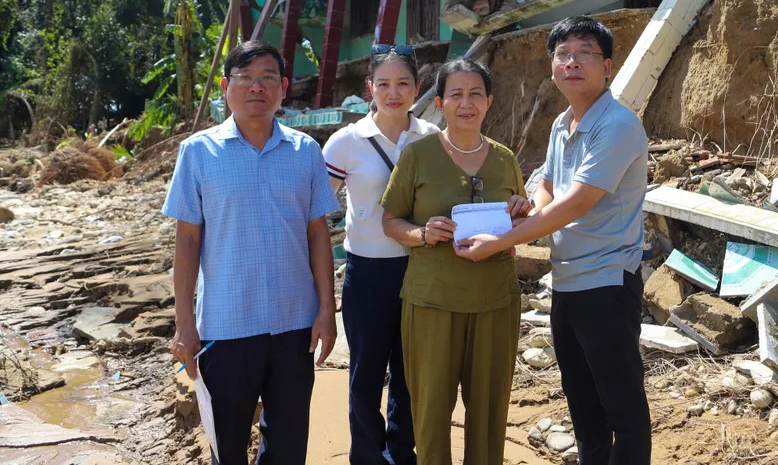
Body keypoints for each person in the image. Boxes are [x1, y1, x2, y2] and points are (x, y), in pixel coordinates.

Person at [454, 17, 651, 465]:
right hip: (567, 282)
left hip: (606, 283)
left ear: (607, 66)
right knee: (583, 404)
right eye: (563, 54)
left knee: (622, 408)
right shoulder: (563, 123)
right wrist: (527, 208)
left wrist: (502, 241)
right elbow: (548, 186)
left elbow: (576, 203)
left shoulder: (617, 125)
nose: (572, 62)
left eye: (585, 53)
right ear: (552, 66)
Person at [163, 40, 340, 465]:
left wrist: (326, 310)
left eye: (267, 78)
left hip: (295, 325)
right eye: (245, 78)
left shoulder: (305, 151)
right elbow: (187, 242)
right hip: (226, 328)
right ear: (226, 87)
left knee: (288, 448)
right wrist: (184, 324)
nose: (256, 87)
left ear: (283, 88)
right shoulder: (198, 153)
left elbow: (318, 234)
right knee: (227, 447)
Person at [380, 59, 532, 465]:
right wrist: (423, 233)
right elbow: (391, 221)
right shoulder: (417, 156)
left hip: (495, 301)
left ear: (489, 102)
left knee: (489, 412)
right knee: (430, 412)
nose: (466, 103)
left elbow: (517, 224)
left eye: (476, 94)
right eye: (456, 95)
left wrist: (520, 211)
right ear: (440, 103)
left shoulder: (504, 159)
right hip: (432, 301)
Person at [321, 45, 439, 465]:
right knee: (366, 373)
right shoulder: (345, 142)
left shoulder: (432, 137)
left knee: (410, 373)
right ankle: (368, 456)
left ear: (417, 87)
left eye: (403, 83)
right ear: (369, 87)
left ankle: (401, 454)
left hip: (421, 269)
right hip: (367, 274)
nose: (393, 93)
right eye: (384, 84)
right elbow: (315, 209)